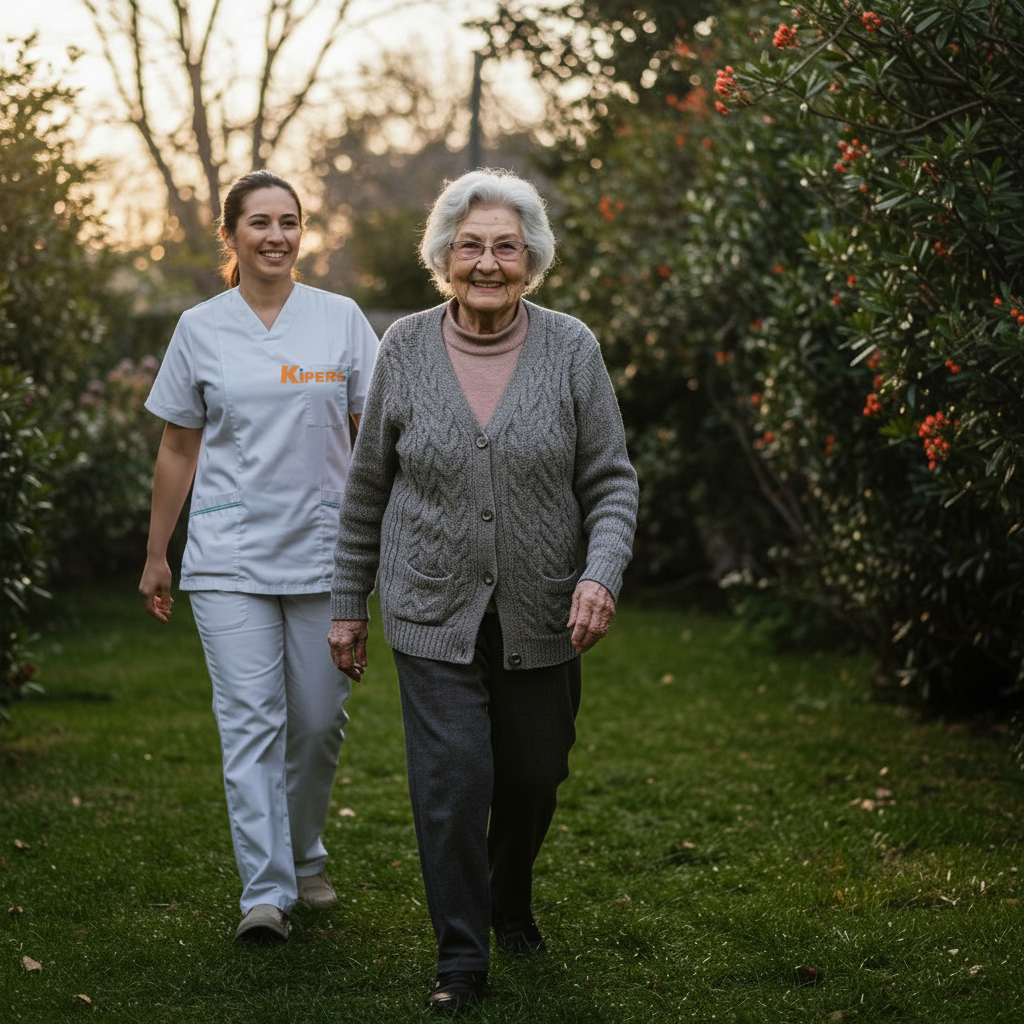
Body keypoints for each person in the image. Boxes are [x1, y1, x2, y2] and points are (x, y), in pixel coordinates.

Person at [328, 168, 638, 1012]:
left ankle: (509, 896)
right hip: (430, 606)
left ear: (531, 258)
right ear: (444, 257)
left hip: (543, 610)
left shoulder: (571, 347)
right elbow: (367, 490)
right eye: (471, 246)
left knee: (535, 776)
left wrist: (598, 577)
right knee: (455, 782)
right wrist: (349, 605)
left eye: (506, 246)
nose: (488, 263)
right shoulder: (405, 348)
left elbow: (611, 482)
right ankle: (461, 955)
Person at [139, 169, 378, 944]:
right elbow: (178, 445)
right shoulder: (201, 328)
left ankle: (305, 853)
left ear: (301, 231)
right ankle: (265, 892)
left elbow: (376, 439)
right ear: (232, 235)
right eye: (259, 223)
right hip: (227, 554)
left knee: (315, 724)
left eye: (289, 221)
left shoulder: (340, 321)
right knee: (250, 724)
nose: (275, 236)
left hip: (324, 551)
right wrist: (158, 553)